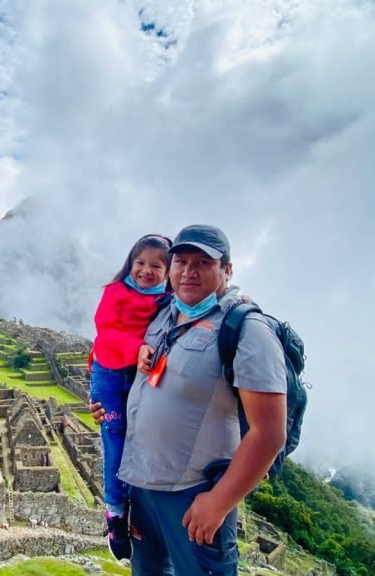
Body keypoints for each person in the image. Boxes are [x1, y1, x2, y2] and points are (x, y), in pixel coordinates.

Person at [91, 224, 287, 575]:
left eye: (203, 262)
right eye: (180, 261)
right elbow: (123, 358)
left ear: (227, 269)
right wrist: (111, 407)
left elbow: (270, 433)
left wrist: (219, 503)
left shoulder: (248, 330)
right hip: (142, 488)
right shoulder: (163, 314)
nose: (188, 271)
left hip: (193, 495)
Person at [90, 233, 172, 560]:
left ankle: (136, 508)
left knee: (140, 440)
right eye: (140, 263)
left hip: (140, 378)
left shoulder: (168, 300)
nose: (145, 271)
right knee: (114, 438)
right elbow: (105, 332)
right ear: (129, 262)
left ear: (168, 271)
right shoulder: (116, 292)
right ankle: (115, 513)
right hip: (110, 374)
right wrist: (135, 349)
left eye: (156, 265)